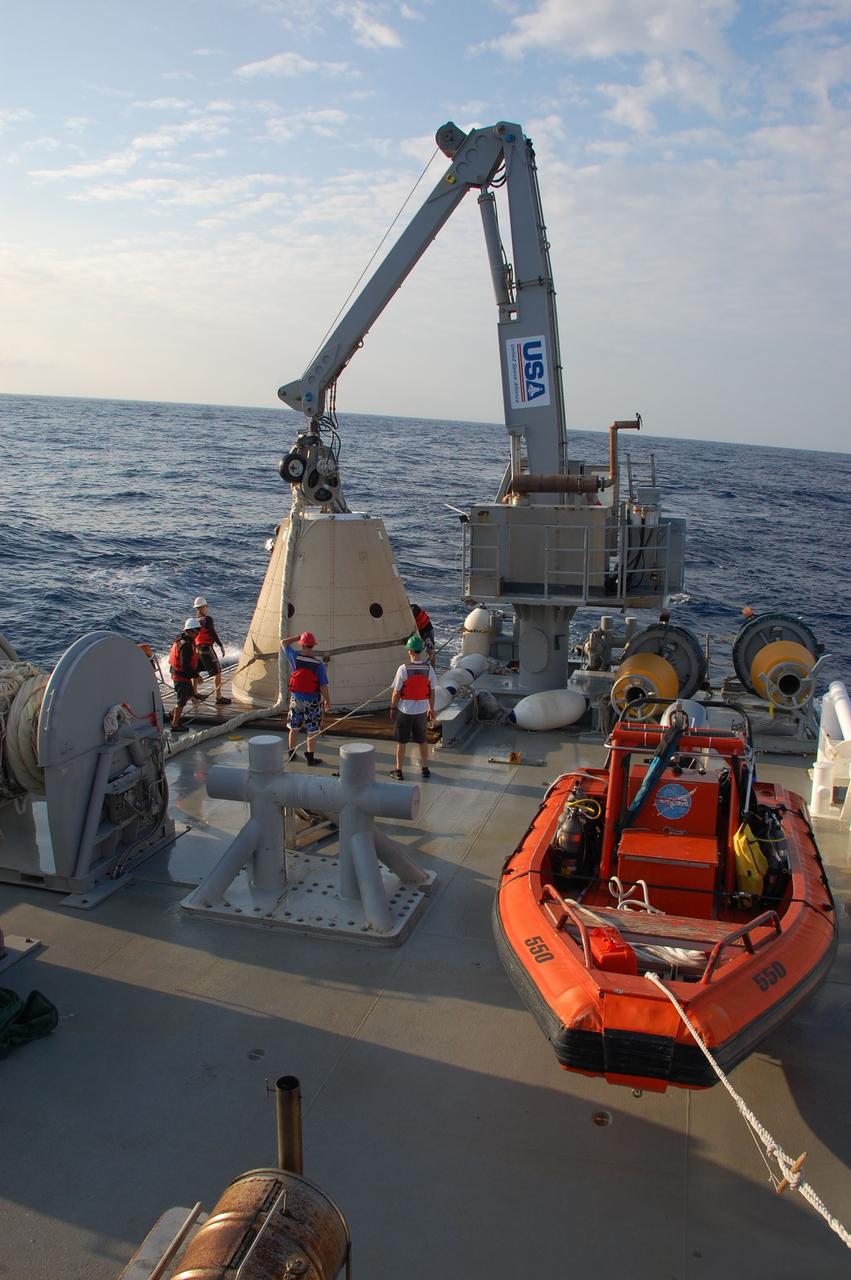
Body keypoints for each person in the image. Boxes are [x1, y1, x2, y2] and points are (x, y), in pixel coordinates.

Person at [389, 634, 436, 780]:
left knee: (401, 741)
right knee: (422, 740)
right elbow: (432, 691)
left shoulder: (403, 669)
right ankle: (425, 768)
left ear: (410, 651)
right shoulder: (429, 669)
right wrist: (431, 708)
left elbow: (396, 691)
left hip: (405, 711)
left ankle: (398, 770)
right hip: (422, 711)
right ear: (420, 651)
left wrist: (392, 707)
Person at [281, 631, 331, 766]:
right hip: (312, 701)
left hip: (296, 699)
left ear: (302, 645)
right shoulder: (318, 664)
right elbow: (323, 686)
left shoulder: (294, 657)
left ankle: (291, 753)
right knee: (312, 730)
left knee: (294, 727)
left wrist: (298, 638)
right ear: (313, 646)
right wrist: (327, 700)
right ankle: (310, 757)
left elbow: (283, 643)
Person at [192, 596, 231, 705]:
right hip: (206, 649)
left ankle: (195, 694)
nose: (206, 608)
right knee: (217, 672)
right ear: (204, 607)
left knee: (196, 672)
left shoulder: (194, 621)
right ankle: (219, 697)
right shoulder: (207, 619)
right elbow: (212, 633)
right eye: (205, 606)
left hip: (197, 649)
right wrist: (221, 645)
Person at [168, 619, 202, 732]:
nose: (198, 633)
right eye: (197, 631)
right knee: (181, 701)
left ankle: (172, 714)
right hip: (181, 677)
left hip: (181, 675)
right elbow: (185, 665)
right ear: (190, 631)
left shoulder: (182, 639)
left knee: (189, 695)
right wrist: (196, 675)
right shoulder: (186, 645)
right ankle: (175, 725)